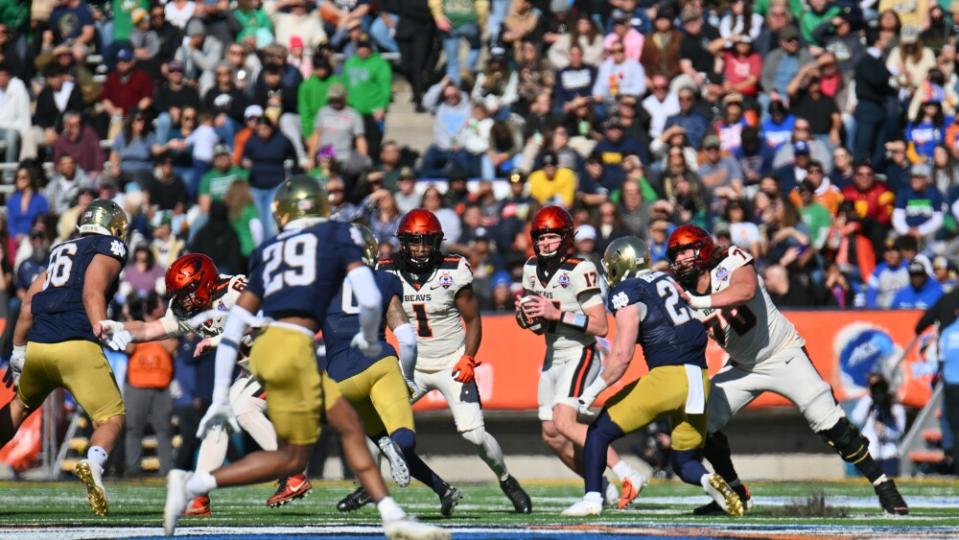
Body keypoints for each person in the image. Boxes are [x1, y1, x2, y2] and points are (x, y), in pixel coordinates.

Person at [161, 177, 448, 539]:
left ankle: (192, 485)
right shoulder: (336, 238)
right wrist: (369, 336)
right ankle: (393, 515)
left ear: (281, 213)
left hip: (265, 350)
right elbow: (370, 298)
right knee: (344, 431)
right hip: (293, 350)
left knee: (299, 455)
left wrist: (220, 396)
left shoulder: (267, 250)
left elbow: (236, 328)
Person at [666, 224, 908, 516]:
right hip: (743, 366)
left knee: (831, 424)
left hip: (783, 353)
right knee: (699, 423)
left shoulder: (730, 259)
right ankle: (736, 493)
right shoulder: (681, 295)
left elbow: (746, 289)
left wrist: (698, 302)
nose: (680, 260)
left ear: (703, 249)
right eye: (676, 255)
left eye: (686, 251)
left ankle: (883, 484)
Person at [99, 252, 314, 514]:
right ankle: (199, 496)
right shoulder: (186, 309)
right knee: (216, 421)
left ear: (203, 283)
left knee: (245, 411)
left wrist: (216, 340)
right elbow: (148, 329)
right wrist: (119, 328)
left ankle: (293, 473)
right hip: (254, 368)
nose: (181, 300)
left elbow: (265, 319)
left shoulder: (234, 289)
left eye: (185, 292)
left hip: (281, 355)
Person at [561, 237, 742, 517]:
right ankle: (708, 481)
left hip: (667, 377)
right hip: (699, 379)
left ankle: (592, 500)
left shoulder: (627, 290)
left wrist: (591, 392)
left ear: (622, 264)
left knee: (598, 432)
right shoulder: (666, 279)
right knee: (684, 462)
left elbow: (621, 356)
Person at [378, 209, 531, 515]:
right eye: (415, 242)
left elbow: (473, 320)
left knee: (474, 434)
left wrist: (468, 358)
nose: (421, 249)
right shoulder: (385, 269)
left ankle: (506, 479)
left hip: (450, 361)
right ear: (403, 242)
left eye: (427, 242)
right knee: (378, 428)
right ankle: (370, 488)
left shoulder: (453, 269)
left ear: (438, 242)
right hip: (412, 367)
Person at [0, 200, 129, 516]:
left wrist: (18, 351)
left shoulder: (62, 250)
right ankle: (94, 463)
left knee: (18, 407)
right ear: (112, 225)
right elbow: (92, 291)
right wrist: (103, 327)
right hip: (76, 344)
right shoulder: (108, 246)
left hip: (41, 347)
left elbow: (29, 304)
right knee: (110, 418)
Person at [325, 224, 462, 512]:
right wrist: (408, 376)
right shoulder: (384, 281)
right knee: (403, 437)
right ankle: (392, 452)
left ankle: (442, 489)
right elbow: (406, 339)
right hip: (377, 364)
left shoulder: (321, 286)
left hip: (338, 379)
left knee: (383, 438)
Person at [517, 207, 645, 509]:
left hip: (581, 351)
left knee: (564, 421)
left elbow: (600, 325)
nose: (546, 243)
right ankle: (599, 484)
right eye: (542, 237)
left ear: (566, 238)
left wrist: (556, 313)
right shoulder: (530, 268)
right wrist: (526, 318)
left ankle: (629, 474)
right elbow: (536, 327)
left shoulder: (580, 268)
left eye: (552, 237)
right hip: (553, 354)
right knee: (552, 434)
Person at [850, 373, 906, 477]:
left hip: (888, 456)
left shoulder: (894, 405)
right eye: (872, 386)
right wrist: (870, 399)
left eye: (878, 385)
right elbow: (856, 419)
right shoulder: (866, 403)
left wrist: (885, 431)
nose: (876, 389)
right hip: (867, 455)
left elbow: (899, 432)